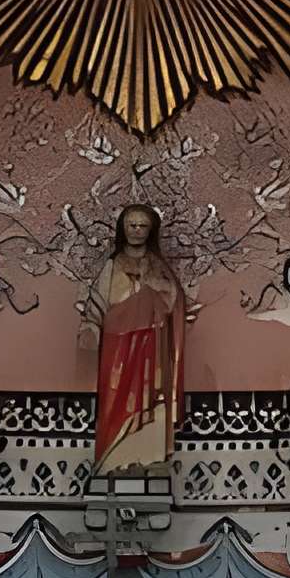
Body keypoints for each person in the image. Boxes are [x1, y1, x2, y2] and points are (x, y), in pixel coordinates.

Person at [88, 204, 186, 477]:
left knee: (150, 396)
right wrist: (90, 327)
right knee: (116, 397)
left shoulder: (158, 266)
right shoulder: (112, 265)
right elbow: (97, 302)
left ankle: (147, 459)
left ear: (151, 230)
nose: (136, 230)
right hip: (117, 344)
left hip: (151, 342)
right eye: (131, 225)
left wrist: (155, 290)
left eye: (143, 225)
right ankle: (111, 461)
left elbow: (173, 301)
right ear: (122, 228)